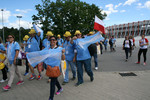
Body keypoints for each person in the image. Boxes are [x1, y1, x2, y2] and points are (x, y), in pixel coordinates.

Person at [27, 36, 65, 100]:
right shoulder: (47, 49)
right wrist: (30, 55)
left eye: (53, 40)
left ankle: (51, 98)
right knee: (54, 79)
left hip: (56, 68)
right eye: (51, 40)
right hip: (49, 68)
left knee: (52, 82)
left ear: (56, 41)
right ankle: (60, 88)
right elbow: (40, 53)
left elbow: (63, 59)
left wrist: (63, 53)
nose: (52, 41)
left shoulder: (59, 49)